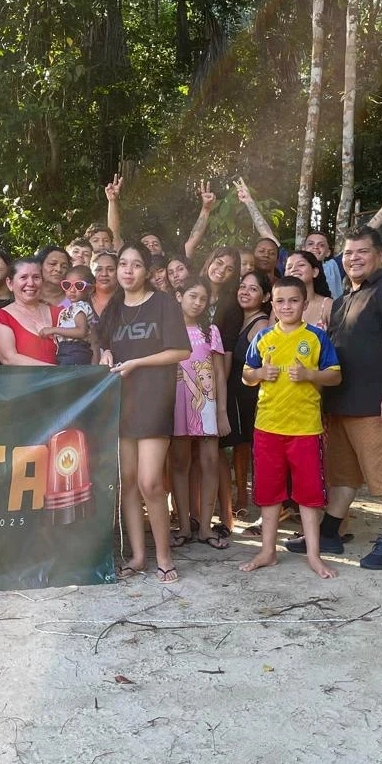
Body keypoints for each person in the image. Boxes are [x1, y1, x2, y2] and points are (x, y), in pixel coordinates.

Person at [291, 225, 382, 570]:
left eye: (362, 251)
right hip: (340, 405)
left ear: (380, 256)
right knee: (343, 475)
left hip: (375, 405)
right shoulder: (343, 300)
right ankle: (329, 532)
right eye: (348, 252)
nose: (354, 258)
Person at [97, 243, 191, 584]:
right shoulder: (112, 308)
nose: (128, 270)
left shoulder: (163, 303)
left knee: (150, 481)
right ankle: (138, 556)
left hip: (154, 399)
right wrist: (105, 353)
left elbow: (181, 350)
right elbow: (104, 346)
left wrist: (138, 362)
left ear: (146, 271)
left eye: (136, 265)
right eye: (123, 264)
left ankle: (164, 556)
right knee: (128, 481)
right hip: (122, 402)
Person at [240, 277, 341, 579]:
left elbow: (335, 376)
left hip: (305, 429)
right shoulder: (263, 337)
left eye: (294, 301)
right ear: (272, 304)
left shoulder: (316, 337)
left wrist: (310, 374)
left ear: (304, 304)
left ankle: (313, 555)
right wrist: (260, 373)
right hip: (267, 427)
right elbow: (246, 375)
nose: (287, 306)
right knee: (269, 492)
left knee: (309, 495)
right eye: (280, 301)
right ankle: (267, 552)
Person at [169, 277, 229, 550]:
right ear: (179, 296)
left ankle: (205, 527)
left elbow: (219, 374)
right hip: (177, 404)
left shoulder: (210, 331)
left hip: (207, 406)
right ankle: (184, 525)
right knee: (179, 463)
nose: (197, 303)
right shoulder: (168, 329)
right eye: (192, 296)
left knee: (210, 463)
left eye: (203, 299)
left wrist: (222, 412)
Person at [302, 177, 382, 298]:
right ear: (303, 248)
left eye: (321, 245)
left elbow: (365, 233)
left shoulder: (334, 267)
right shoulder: (292, 266)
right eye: (310, 244)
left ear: (328, 252)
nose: (315, 247)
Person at [220, 270, 271, 516]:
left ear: (266, 297)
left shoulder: (261, 324)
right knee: (240, 447)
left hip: (251, 397)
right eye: (243, 286)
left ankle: (248, 501)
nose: (245, 292)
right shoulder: (238, 318)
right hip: (237, 395)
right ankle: (241, 499)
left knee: (248, 447)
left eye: (253, 289)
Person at [0, 256, 62, 365]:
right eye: (23, 277)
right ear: (10, 283)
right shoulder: (1, 317)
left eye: (36, 277)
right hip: (26, 377)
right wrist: (57, 371)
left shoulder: (60, 313)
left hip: (64, 376)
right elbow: (9, 359)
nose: (31, 283)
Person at [43, 265, 95, 365]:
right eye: (67, 285)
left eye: (79, 285)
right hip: (68, 350)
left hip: (75, 351)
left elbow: (81, 332)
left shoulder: (80, 307)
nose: (72, 290)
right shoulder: (71, 307)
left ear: (90, 289)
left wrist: (53, 330)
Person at [283, 249, 333, 329]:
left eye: (301, 265)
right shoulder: (279, 304)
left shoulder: (327, 305)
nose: (293, 269)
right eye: (289, 267)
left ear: (315, 272)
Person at [91, 250, 118, 318]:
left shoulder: (128, 301)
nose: (104, 274)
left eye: (110, 270)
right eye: (99, 269)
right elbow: (64, 305)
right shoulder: (81, 297)